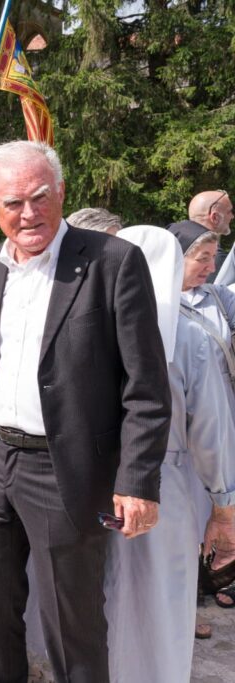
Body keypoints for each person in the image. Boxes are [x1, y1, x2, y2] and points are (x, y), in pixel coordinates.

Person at [0, 140, 171, 683]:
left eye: (39, 197)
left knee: (71, 624)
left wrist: (138, 480)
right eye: (13, 202)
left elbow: (145, 385)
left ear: (60, 193)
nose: (28, 213)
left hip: (64, 471)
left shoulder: (112, 262)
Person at [105, 225, 235, 682]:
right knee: (164, 601)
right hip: (173, 488)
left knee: (106, 595)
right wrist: (224, 503)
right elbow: (212, 432)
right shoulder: (191, 338)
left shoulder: (95, 326)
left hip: (102, 484)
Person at [166, 221, 235, 609]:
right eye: (202, 258)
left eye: (213, 258)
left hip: (221, 419)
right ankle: (185, 602)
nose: (210, 267)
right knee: (186, 518)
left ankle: (198, 590)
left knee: (214, 507)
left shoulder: (217, 296)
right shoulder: (155, 302)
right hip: (182, 430)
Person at [170, 190, 232, 280]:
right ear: (215, 217)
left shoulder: (170, 241)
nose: (232, 216)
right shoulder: (219, 260)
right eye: (229, 212)